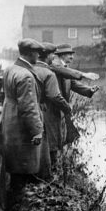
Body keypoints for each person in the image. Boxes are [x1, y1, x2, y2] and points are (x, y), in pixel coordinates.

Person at [0, 39, 44, 211]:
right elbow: (29, 107)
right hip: (21, 128)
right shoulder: (25, 75)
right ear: (30, 53)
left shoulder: (11, 69)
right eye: (37, 52)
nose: (39, 55)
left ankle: (13, 208)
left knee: (15, 169)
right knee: (21, 170)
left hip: (10, 123)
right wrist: (37, 131)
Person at [32, 42, 73, 177]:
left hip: (35, 111)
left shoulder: (30, 68)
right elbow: (54, 95)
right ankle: (51, 174)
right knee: (52, 143)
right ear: (48, 56)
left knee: (42, 142)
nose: (53, 57)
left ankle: (40, 172)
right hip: (49, 111)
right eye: (52, 54)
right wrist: (67, 107)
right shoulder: (49, 72)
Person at [50, 43, 99, 145]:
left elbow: (73, 84)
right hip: (54, 109)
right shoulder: (54, 65)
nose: (72, 57)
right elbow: (65, 71)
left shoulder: (65, 67)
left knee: (69, 136)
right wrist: (84, 74)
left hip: (63, 108)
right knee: (57, 137)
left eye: (72, 54)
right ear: (62, 55)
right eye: (69, 54)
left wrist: (89, 90)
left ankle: (63, 157)